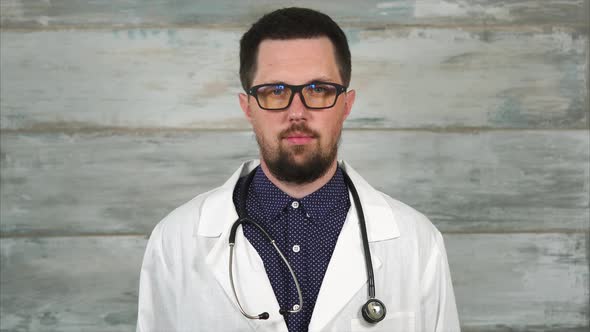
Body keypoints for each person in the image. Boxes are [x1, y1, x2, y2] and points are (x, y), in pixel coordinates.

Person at [136, 7, 460, 332]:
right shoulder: (175, 240)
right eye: (275, 92)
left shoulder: (417, 243)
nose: (297, 112)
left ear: (346, 105)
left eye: (318, 89)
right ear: (247, 107)